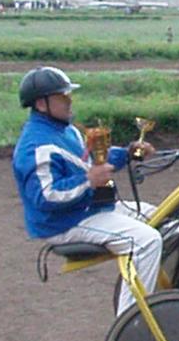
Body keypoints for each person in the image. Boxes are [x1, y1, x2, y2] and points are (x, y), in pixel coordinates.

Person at [12, 66, 160, 316]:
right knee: (145, 241)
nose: (69, 101)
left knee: (165, 219)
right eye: (62, 96)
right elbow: (46, 197)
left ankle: (172, 300)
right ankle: (131, 326)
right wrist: (88, 181)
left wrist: (129, 152)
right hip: (64, 222)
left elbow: (92, 161)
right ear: (41, 104)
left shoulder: (65, 130)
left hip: (90, 208)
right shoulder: (35, 145)